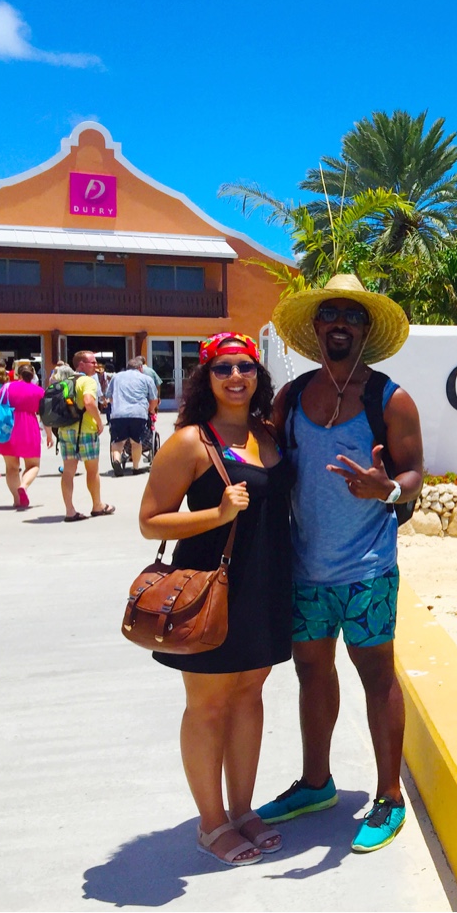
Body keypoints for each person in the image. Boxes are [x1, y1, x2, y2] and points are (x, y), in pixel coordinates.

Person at [256, 274, 422, 854]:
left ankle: (389, 797)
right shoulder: (293, 396)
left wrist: (387, 491)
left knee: (377, 676)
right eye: (330, 314)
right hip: (306, 569)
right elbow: (267, 453)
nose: (340, 323)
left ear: (365, 329)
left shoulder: (390, 398)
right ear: (318, 328)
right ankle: (316, 782)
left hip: (369, 567)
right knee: (311, 674)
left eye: (351, 315)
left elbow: (414, 477)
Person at [137, 332, 293, 867]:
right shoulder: (189, 441)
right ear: (206, 377)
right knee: (207, 706)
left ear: (258, 375)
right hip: (209, 588)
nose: (235, 377)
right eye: (223, 368)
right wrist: (217, 514)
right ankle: (210, 823)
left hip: (267, 584)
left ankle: (243, 808)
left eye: (245, 367)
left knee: (250, 696)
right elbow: (150, 520)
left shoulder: (267, 433)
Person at [58, 351, 114, 521]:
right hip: (86, 430)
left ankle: (70, 510)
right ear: (81, 364)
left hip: (66, 429)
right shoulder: (87, 381)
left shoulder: (64, 381)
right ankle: (97, 505)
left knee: (68, 471)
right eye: (92, 362)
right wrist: (99, 421)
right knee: (92, 470)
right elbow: (89, 402)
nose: (96, 366)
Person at [0, 361, 53, 509]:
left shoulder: (6, 387)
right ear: (33, 375)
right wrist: (49, 435)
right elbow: (45, 415)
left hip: (7, 427)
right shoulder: (39, 391)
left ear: (18, 374)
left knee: (11, 467)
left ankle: (16, 499)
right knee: (33, 465)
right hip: (29, 428)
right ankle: (24, 485)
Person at [107, 357, 159, 476]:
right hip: (138, 413)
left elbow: (109, 397)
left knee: (118, 442)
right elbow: (154, 399)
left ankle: (116, 459)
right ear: (141, 368)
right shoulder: (146, 378)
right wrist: (150, 410)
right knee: (136, 442)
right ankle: (135, 468)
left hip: (118, 414)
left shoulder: (116, 377)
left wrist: (116, 406)